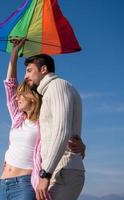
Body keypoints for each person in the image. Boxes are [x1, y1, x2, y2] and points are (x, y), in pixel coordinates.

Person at [0, 39, 85, 200]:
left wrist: (79, 145)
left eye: (29, 71)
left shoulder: (42, 122)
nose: (17, 98)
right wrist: (14, 53)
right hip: (3, 184)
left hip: (26, 182)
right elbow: (9, 85)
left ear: (33, 98)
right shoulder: (18, 119)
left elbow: (61, 131)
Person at [24, 50, 85, 200]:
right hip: (59, 170)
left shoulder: (57, 86)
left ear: (43, 69)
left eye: (29, 70)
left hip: (63, 171)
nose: (26, 76)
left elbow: (62, 131)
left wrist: (46, 175)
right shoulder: (52, 91)